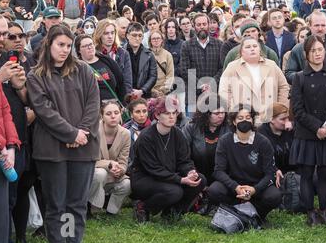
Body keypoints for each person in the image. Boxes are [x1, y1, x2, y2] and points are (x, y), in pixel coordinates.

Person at [27, 24, 100, 243]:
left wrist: (82, 134)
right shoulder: (35, 75)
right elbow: (44, 111)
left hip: (83, 147)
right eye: (60, 45)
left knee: (76, 205)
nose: (65, 50)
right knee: (57, 205)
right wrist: (71, 134)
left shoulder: (84, 70)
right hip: (52, 150)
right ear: (49, 44)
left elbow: (93, 104)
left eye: (69, 46)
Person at [130, 95, 207, 223]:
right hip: (145, 178)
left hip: (169, 175)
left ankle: (172, 212)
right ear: (157, 115)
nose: (172, 116)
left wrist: (190, 172)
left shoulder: (177, 134)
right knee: (174, 191)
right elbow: (153, 169)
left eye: (174, 113)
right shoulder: (146, 137)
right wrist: (181, 180)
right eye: (166, 113)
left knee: (200, 179)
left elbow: (184, 160)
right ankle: (143, 207)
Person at [290, 35, 326, 226]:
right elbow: (298, 110)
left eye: (320, 50)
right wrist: (316, 127)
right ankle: (310, 212)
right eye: (313, 51)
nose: (318, 54)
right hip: (307, 134)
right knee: (307, 174)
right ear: (306, 54)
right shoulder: (299, 78)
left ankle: (324, 210)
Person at [209, 105, 282, 220]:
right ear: (234, 121)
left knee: (274, 196)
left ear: (253, 120)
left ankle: (256, 214)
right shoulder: (225, 141)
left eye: (248, 117)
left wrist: (255, 189)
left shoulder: (263, 142)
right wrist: (236, 187)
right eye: (240, 118)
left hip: (257, 186)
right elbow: (218, 171)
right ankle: (237, 211)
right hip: (234, 186)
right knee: (214, 190)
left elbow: (270, 173)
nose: (245, 120)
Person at [219, 37, 289, 125]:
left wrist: (280, 109)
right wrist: (233, 111)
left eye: (255, 46)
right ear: (241, 51)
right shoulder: (232, 67)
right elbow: (224, 91)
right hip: (243, 119)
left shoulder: (271, 65)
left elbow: (283, 87)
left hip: (269, 119)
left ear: (260, 49)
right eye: (248, 47)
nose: (252, 49)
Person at [88, 100, 131, 216]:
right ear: (102, 116)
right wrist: (109, 164)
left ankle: (111, 211)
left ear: (121, 113)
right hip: (93, 173)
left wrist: (120, 170)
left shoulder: (126, 134)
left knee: (127, 184)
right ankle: (92, 208)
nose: (113, 116)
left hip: (113, 175)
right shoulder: (94, 131)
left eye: (116, 113)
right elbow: (90, 160)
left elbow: (123, 161)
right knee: (100, 173)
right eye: (108, 114)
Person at [0, 66, 21, 243]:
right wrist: (1, 145)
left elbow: (5, 112)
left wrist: (11, 145)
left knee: (1, 218)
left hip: (0, 157)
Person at [182, 93, 229, 187]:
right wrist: (192, 173)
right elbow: (183, 154)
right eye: (216, 113)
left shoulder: (229, 128)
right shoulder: (191, 127)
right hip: (197, 174)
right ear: (206, 114)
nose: (221, 116)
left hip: (223, 177)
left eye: (223, 112)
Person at [180, 13, 223, 105]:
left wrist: (212, 83)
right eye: (198, 25)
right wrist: (201, 85)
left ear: (208, 25)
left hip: (214, 93)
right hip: (193, 95)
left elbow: (222, 68)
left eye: (204, 24)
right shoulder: (186, 45)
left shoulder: (219, 44)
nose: (202, 27)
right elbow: (184, 70)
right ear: (194, 26)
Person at [285, 10, 326, 82]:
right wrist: (306, 78)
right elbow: (289, 73)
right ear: (309, 26)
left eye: (323, 25)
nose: (320, 29)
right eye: (317, 25)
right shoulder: (298, 49)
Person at [75, 34, 126, 103]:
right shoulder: (78, 68)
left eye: (91, 44)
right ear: (79, 50)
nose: (89, 47)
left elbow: (120, 81)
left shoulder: (106, 60)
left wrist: (123, 103)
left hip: (113, 104)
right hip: (94, 107)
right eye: (85, 46)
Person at [94, 19, 133, 94]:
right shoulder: (95, 54)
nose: (110, 36)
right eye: (106, 33)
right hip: (101, 96)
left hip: (120, 97)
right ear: (100, 35)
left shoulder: (123, 54)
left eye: (112, 33)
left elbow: (127, 82)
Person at [257, 103, 294, 180]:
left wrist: (294, 127)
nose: (287, 122)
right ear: (271, 119)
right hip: (271, 174)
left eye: (288, 118)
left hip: (292, 171)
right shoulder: (261, 134)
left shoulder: (290, 130)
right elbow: (262, 160)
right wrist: (275, 170)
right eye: (283, 119)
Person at [124, 22, 157, 99]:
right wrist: (128, 91)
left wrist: (142, 91)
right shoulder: (120, 53)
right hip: (125, 95)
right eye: (134, 35)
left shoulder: (149, 54)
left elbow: (153, 76)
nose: (137, 38)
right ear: (128, 35)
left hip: (144, 95)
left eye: (140, 35)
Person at [149, 30, 174, 97]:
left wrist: (163, 89)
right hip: (150, 92)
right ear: (150, 41)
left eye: (158, 38)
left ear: (162, 40)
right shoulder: (146, 54)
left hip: (164, 93)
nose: (156, 40)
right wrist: (152, 90)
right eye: (153, 39)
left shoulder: (168, 55)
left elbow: (170, 75)